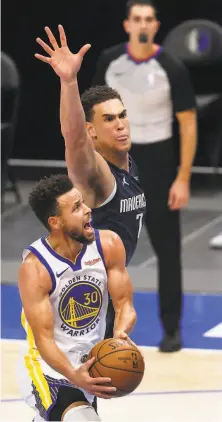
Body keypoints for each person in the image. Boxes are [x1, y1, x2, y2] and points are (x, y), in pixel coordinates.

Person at [93, 0, 197, 352]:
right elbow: (91, 112)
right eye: (136, 18)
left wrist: (182, 177)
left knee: (168, 251)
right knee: (105, 250)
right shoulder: (110, 61)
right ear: (127, 25)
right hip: (114, 163)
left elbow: (188, 122)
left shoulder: (171, 66)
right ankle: (105, 329)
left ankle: (172, 329)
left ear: (156, 26)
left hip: (159, 161)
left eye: (148, 19)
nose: (142, 24)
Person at [34, 25, 146, 344]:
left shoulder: (129, 164)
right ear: (92, 131)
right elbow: (73, 138)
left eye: (122, 115)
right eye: (108, 119)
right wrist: (69, 81)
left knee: (99, 389)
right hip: (79, 301)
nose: (120, 124)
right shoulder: (97, 175)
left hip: (103, 288)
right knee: (73, 389)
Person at [17, 174, 137, 422]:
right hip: (46, 369)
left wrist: (120, 335)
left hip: (89, 364)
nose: (87, 210)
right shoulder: (36, 268)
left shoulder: (109, 245)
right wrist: (73, 374)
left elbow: (124, 304)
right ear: (56, 222)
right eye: (76, 208)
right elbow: (44, 340)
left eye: (83, 202)